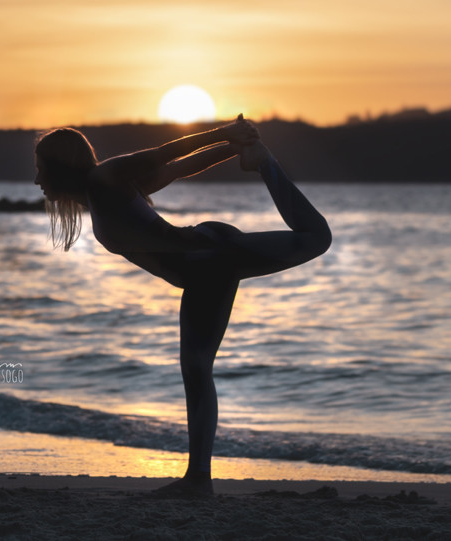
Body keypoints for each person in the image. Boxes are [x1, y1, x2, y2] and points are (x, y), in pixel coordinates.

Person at [34, 116, 331, 495]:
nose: (37, 179)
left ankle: (265, 162)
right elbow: (177, 170)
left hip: (214, 255)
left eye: (41, 169)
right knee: (195, 369)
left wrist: (227, 135)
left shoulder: (103, 178)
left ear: (60, 166)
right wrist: (230, 147)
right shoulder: (101, 194)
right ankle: (198, 480)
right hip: (202, 274)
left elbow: (162, 154)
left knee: (317, 238)